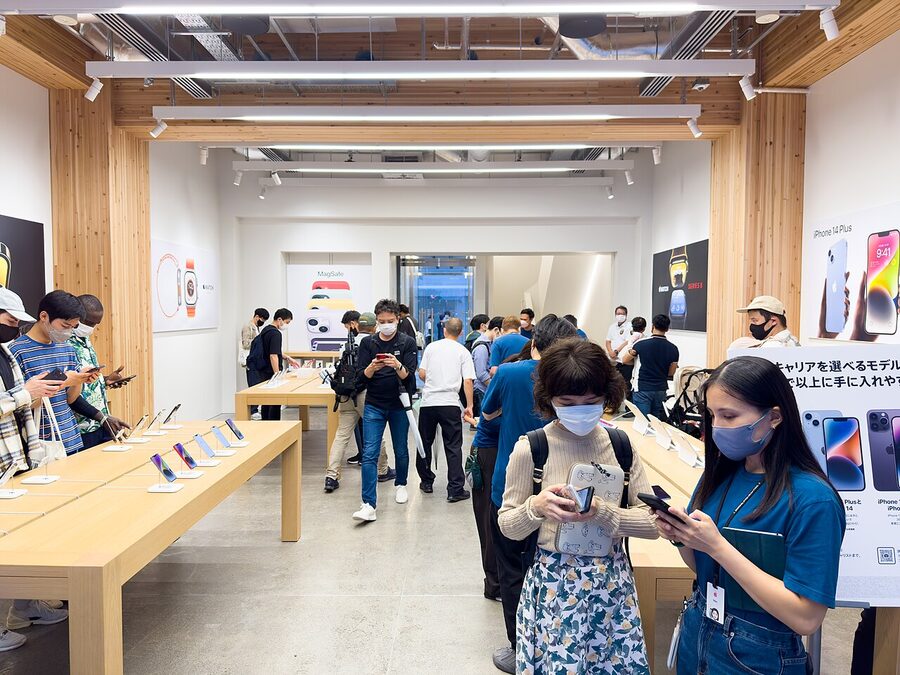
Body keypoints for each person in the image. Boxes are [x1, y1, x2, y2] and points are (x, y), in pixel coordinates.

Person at [653, 356, 845, 675]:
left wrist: (718, 546)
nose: (717, 427)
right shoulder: (719, 476)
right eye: (712, 415)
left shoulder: (813, 500)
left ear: (774, 417)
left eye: (729, 416)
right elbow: (703, 567)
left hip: (758, 653)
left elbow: (805, 618)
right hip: (698, 626)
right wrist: (682, 537)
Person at [499, 338, 658, 673]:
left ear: (607, 397)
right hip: (554, 587)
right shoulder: (532, 449)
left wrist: (602, 511)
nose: (580, 410)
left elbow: (653, 523)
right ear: (549, 400)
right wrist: (537, 507)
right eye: (567, 402)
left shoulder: (621, 445)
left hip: (611, 584)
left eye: (591, 401)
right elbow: (507, 525)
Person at [480, 314, 577, 673]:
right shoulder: (576, 379)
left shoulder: (509, 373)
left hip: (514, 483)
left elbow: (488, 415)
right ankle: (555, 642)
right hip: (565, 486)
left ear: (534, 341)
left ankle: (519, 648)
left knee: (511, 569)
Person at [0, 288, 69, 648]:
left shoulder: (4, 354)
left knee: (23, 534)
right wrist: (27, 393)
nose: (13, 327)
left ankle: (25, 606)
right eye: (9, 319)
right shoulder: (15, 351)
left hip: (16, 456)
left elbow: (21, 401)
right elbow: (17, 397)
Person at [8, 290, 100, 456]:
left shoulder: (67, 348)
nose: (68, 332)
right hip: (41, 444)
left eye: (73, 328)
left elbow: (70, 399)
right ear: (44, 316)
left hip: (71, 437)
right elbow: (21, 405)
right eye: (65, 326)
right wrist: (64, 380)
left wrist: (80, 378)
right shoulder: (16, 351)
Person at [352, 299, 418, 522]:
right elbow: (360, 379)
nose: (386, 325)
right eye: (382, 322)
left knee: (401, 448)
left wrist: (397, 365)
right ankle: (368, 503)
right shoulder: (368, 344)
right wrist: (371, 367)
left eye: (390, 321)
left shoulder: (407, 342)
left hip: (399, 404)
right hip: (374, 404)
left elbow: (410, 380)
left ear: (398, 320)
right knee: (370, 453)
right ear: (376, 321)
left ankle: (401, 484)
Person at [324, 312, 394, 493]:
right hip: (365, 395)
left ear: (357, 326)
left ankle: (331, 476)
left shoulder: (345, 345)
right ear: (374, 327)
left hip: (345, 395)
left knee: (341, 436)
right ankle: (383, 470)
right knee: (376, 432)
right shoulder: (373, 343)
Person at [416, 317, 475, 502]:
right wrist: (470, 406)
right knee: (453, 445)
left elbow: (422, 372)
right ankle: (455, 489)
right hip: (450, 403)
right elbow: (467, 380)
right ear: (461, 332)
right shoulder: (463, 351)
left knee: (424, 442)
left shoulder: (432, 347)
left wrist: (434, 383)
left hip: (429, 402)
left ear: (444, 330)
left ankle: (426, 482)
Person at [69, 295, 131, 449]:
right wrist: (102, 418)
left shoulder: (85, 339)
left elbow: (83, 378)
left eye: (95, 324)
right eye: (88, 322)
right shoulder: (64, 342)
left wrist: (105, 380)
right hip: (81, 428)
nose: (91, 327)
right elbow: (67, 390)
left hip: (101, 423)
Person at [622, 314, 679, 421]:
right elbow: (671, 372)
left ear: (652, 327)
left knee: (642, 422)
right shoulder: (673, 348)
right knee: (656, 422)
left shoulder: (641, 344)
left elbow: (624, 360)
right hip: (660, 389)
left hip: (642, 388)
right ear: (667, 329)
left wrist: (630, 352)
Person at [248, 308, 299, 421]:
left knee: (266, 401)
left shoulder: (266, 330)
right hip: (270, 372)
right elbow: (273, 355)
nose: (287, 325)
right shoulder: (276, 334)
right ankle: (275, 427)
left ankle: (266, 425)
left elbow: (273, 350)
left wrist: (287, 357)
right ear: (279, 319)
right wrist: (277, 374)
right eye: (287, 322)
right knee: (275, 402)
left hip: (262, 371)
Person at [733, 295, 800, 349]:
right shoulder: (793, 342)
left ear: (773, 321)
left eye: (755, 320)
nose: (752, 325)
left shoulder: (771, 347)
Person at [241, 309, 269, 420]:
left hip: (257, 361)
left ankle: (256, 408)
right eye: (262, 319)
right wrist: (258, 341)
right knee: (253, 385)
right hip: (251, 360)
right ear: (257, 316)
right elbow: (246, 343)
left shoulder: (256, 327)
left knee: (258, 384)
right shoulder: (248, 327)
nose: (262, 322)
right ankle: (253, 410)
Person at [472, 316, 502, 418]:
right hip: (481, 390)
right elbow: (481, 373)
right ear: (496, 330)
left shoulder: (489, 344)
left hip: (486, 389)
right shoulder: (481, 347)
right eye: (501, 333)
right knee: (484, 423)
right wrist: (495, 387)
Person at [618, 316, 647, 401]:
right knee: (628, 384)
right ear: (644, 328)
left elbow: (629, 345)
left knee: (627, 384)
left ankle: (627, 405)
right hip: (631, 363)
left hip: (627, 362)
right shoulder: (643, 336)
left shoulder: (634, 335)